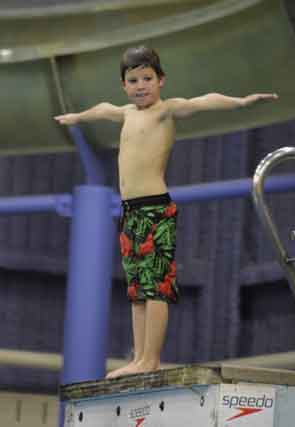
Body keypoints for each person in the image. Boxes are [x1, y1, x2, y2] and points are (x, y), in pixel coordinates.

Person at [54, 46, 278, 379]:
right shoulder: (127, 113)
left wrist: (242, 101)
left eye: (147, 78)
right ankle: (139, 355)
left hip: (154, 208)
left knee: (156, 286)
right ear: (124, 86)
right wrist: (77, 118)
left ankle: (151, 358)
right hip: (130, 211)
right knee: (138, 289)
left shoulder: (165, 111)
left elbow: (203, 100)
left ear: (162, 81)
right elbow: (103, 109)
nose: (141, 85)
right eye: (133, 80)